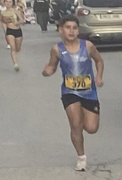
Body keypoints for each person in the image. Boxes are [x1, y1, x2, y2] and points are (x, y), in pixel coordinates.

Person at [42, 16, 102, 171]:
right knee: (75, 125)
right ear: (61, 29)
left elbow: (99, 61)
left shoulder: (87, 46)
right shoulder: (57, 49)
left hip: (89, 92)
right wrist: (47, 71)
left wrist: (99, 76)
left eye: (74, 28)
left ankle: (81, 123)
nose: (71, 31)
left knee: (91, 128)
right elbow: (52, 66)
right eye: (67, 27)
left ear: (78, 30)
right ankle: (81, 157)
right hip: (70, 92)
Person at [0, 0, 25, 71]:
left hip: (17, 30)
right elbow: (2, 21)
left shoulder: (15, 11)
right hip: (9, 31)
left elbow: (22, 20)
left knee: (17, 48)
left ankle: (15, 56)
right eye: (6, 2)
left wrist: (17, 22)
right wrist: (4, 29)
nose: (8, 3)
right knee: (12, 48)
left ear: (12, 3)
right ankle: (15, 64)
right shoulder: (3, 12)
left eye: (10, 2)